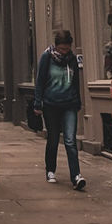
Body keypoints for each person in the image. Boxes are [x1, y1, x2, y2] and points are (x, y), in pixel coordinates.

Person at [33, 28, 85, 190]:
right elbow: (40, 81)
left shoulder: (73, 60)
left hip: (69, 104)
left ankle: (76, 176)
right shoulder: (47, 57)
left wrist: (78, 102)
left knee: (70, 140)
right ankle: (50, 171)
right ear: (56, 47)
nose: (64, 52)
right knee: (53, 139)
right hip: (51, 105)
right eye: (61, 49)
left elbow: (76, 82)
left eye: (67, 49)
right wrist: (37, 103)